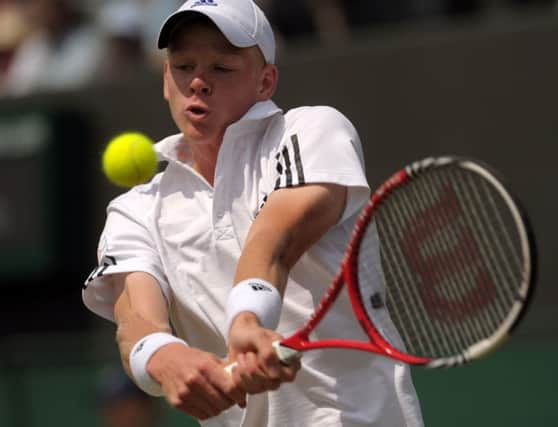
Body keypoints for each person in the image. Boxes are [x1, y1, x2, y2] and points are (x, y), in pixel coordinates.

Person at [82, 1, 424, 426]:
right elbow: (135, 316)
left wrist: (246, 319)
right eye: (183, 66)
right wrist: (166, 357)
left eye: (222, 68)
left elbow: (277, 239)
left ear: (265, 81)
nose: (199, 83)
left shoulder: (311, 130)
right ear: (166, 80)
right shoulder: (134, 209)